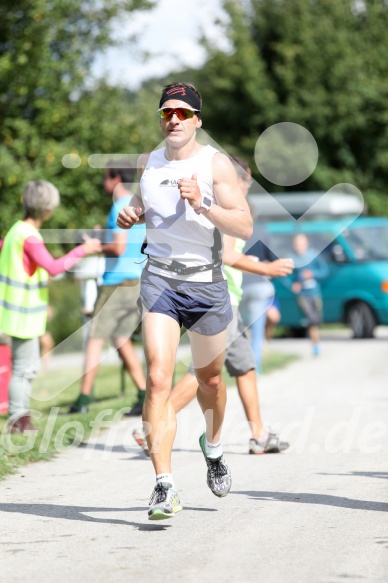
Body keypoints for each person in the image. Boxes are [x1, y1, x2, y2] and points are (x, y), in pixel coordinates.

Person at [117, 82, 253, 521]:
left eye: (181, 112)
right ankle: (164, 486)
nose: (172, 119)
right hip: (160, 281)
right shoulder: (148, 162)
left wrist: (204, 205)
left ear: (197, 120)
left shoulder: (215, 165)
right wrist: (132, 210)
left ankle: (212, 450)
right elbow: (145, 198)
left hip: (207, 286)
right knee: (158, 378)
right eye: (165, 113)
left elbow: (244, 227)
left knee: (210, 382)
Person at [133, 156, 294, 457]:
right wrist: (267, 269)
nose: (246, 185)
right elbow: (229, 256)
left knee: (243, 365)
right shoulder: (222, 209)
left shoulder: (228, 210)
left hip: (226, 297)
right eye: (244, 179)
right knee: (203, 373)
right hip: (219, 298)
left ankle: (259, 433)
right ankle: (151, 427)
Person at [0, 180, 102, 432]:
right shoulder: (29, 236)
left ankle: (21, 418)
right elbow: (54, 267)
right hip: (21, 313)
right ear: (47, 209)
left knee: (28, 367)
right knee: (23, 369)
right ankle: (17, 420)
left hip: (16, 311)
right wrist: (83, 250)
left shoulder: (15, 230)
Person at [68, 162, 147, 414]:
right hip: (136, 279)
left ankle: (83, 399)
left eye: (105, 178)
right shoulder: (138, 206)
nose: (104, 183)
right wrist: (104, 236)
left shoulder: (118, 206)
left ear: (115, 179)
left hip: (115, 281)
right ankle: (143, 392)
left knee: (94, 339)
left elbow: (118, 248)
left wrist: (94, 246)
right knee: (120, 338)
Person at [240, 221, 282, 374]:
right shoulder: (261, 231)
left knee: (239, 329)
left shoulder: (228, 230)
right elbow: (274, 258)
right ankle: (254, 369)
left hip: (236, 284)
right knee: (257, 330)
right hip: (259, 284)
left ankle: (240, 364)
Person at [285, 233, 329, 356]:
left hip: (315, 292)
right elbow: (285, 276)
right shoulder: (291, 258)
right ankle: (315, 345)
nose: (299, 247)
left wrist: (313, 274)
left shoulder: (314, 255)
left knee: (316, 319)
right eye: (297, 244)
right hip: (303, 295)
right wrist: (292, 285)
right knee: (311, 320)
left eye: (302, 244)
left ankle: (316, 342)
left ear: (306, 244)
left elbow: (325, 272)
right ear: (294, 245)